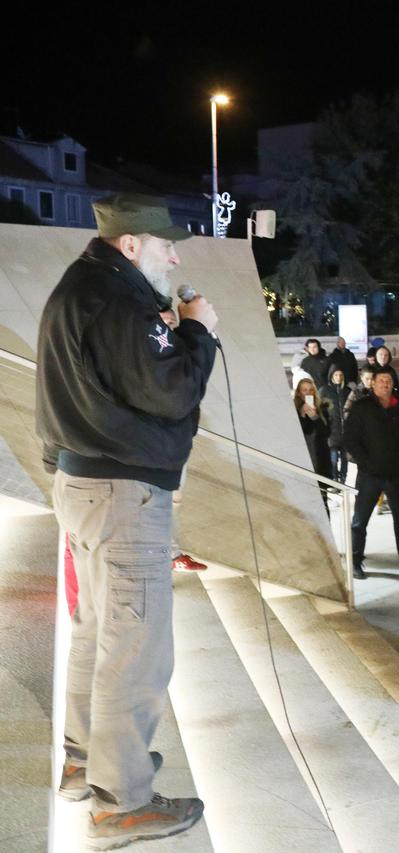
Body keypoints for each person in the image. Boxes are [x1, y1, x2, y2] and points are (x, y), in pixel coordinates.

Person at [37, 193, 216, 843]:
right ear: (131, 244)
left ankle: (87, 760)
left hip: (81, 482)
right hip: (122, 490)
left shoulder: (80, 287)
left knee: (96, 630)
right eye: (164, 242)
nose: (173, 252)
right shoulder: (121, 301)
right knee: (134, 645)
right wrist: (198, 329)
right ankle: (122, 799)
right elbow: (171, 390)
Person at [345, 368, 399, 577]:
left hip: (395, 474)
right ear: (372, 383)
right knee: (360, 520)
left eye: (389, 380)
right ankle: (355, 559)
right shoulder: (361, 407)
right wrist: (365, 463)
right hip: (369, 474)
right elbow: (350, 439)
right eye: (381, 380)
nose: (385, 384)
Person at [293, 377, 333, 480]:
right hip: (303, 456)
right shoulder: (293, 409)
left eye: (311, 390)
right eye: (304, 390)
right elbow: (300, 433)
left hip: (320, 455)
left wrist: (315, 417)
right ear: (298, 393)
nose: (308, 393)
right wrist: (302, 415)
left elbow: (327, 432)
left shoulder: (322, 408)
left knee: (322, 490)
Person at [318, 368, 351, 484]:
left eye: (341, 375)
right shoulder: (324, 390)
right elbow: (320, 409)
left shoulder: (347, 391)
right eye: (336, 375)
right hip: (331, 430)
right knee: (333, 458)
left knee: (345, 459)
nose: (338, 377)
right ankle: (334, 479)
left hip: (346, 430)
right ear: (331, 376)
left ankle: (343, 480)